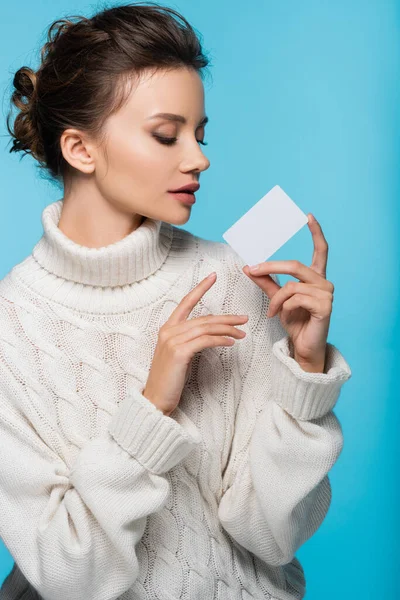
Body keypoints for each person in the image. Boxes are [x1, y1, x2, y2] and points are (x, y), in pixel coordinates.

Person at [0, 3, 352, 600]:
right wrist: (152, 407)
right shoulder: (12, 327)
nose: (198, 158)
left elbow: (272, 536)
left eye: (200, 133)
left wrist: (305, 376)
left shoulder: (228, 278)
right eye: (167, 135)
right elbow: (69, 575)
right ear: (81, 150)